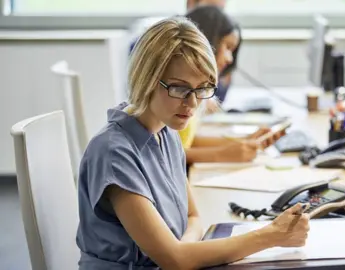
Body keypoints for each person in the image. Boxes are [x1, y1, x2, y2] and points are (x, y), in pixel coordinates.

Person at [76, 16, 310, 269]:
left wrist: (186, 251)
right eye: (179, 88)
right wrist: (271, 235)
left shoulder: (165, 133)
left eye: (201, 89)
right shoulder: (114, 153)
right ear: (146, 79)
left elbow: (193, 217)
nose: (192, 104)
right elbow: (175, 260)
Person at [179, 5, 282, 165]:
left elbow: (188, 140)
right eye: (227, 47)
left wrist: (243, 141)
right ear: (206, 42)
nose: (230, 59)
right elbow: (166, 155)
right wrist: (222, 155)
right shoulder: (177, 96)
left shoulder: (197, 94)